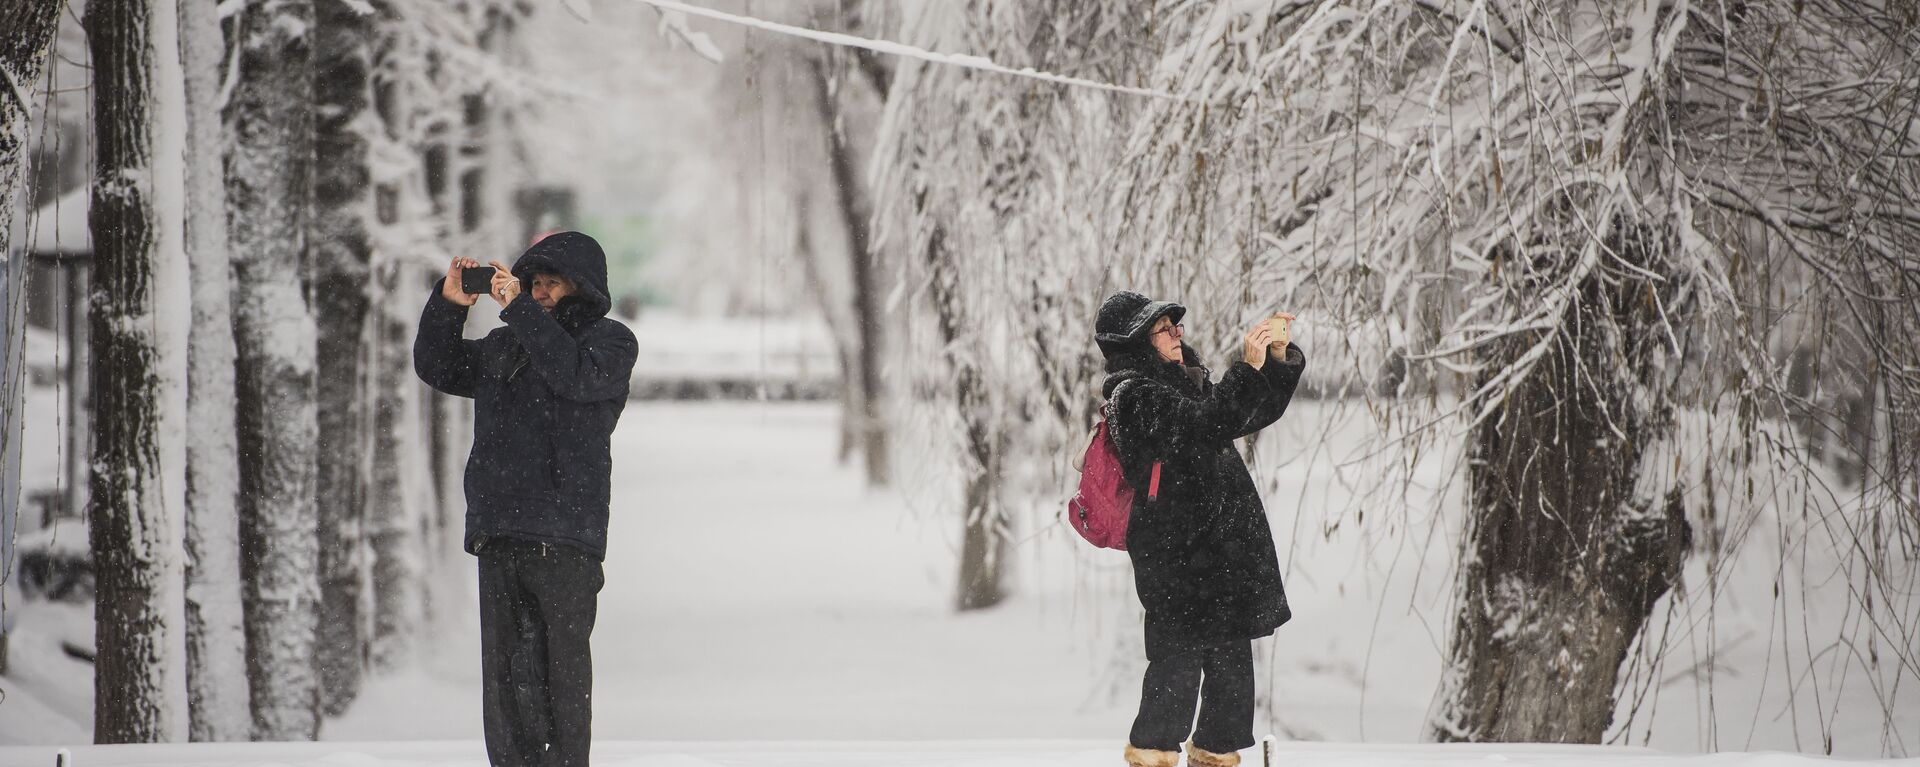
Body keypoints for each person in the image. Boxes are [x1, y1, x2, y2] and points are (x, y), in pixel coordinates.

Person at [414, 231, 637, 767]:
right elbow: (437, 367)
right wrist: (448, 305)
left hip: (565, 537)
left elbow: (573, 376)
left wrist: (520, 313)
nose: (537, 293)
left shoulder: (610, 343)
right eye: (532, 283)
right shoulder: (504, 345)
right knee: (507, 681)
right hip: (501, 531)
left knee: (560, 675)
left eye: (551, 284)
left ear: (581, 289)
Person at [1093, 291, 1306, 767]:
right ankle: (1153, 754)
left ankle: (1216, 753)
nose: (1178, 334)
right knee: (1178, 660)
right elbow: (1212, 421)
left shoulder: (1184, 383)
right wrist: (1245, 369)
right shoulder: (1135, 397)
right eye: (1165, 329)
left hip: (1215, 548)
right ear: (1135, 343)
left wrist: (1275, 360)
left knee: (1231, 659)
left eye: (1176, 326)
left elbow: (1249, 413)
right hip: (1175, 552)